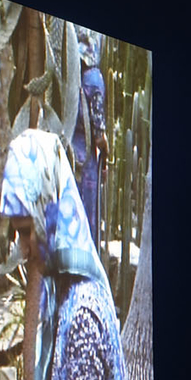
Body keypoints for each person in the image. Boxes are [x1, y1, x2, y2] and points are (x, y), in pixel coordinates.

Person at [0, 128, 141, 380]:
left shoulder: (80, 317)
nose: (23, 248)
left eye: (27, 230)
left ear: (49, 210)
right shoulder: (67, 291)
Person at [71, 32, 110, 237]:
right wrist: (106, 151)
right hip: (85, 159)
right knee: (86, 220)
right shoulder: (94, 79)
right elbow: (98, 134)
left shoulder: (70, 73)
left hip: (66, 153)